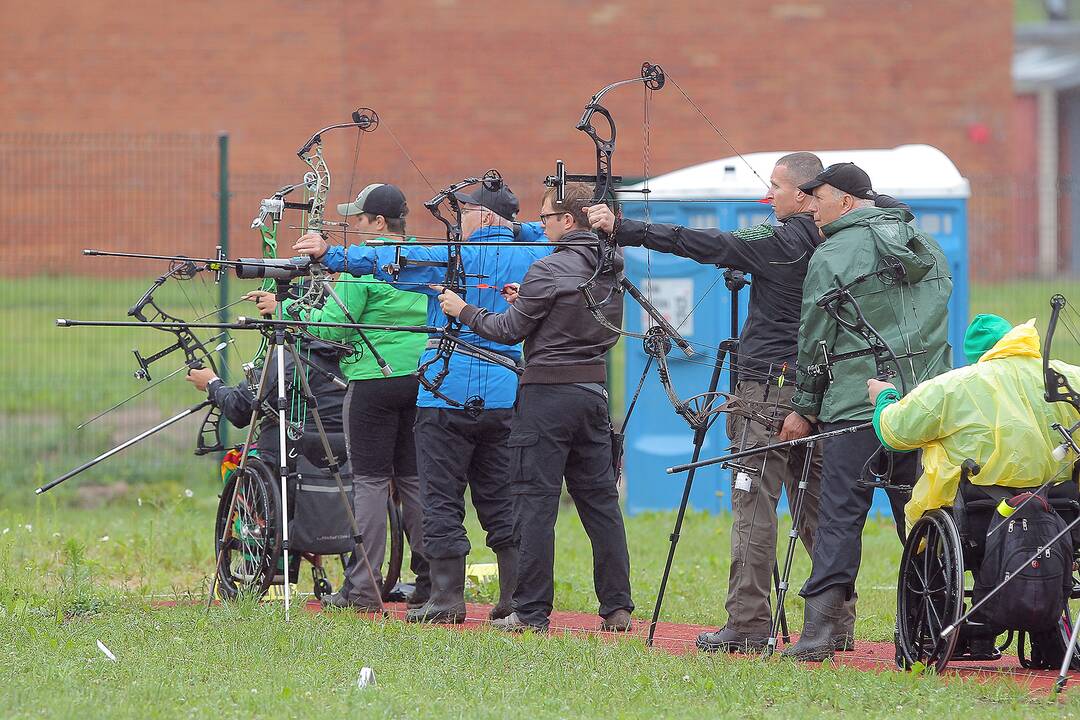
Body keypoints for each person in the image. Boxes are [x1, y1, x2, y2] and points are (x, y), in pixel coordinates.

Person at [586, 153, 845, 653]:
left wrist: (625, 228)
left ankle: (748, 624)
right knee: (817, 505)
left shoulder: (784, 240)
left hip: (767, 389)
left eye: (777, 187)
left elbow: (706, 242)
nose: (769, 196)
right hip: (818, 389)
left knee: (753, 502)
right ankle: (834, 622)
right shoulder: (838, 239)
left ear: (804, 193)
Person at [293, 177, 548, 624]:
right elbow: (551, 236)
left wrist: (330, 254)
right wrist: (515, 229)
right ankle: (511, 599)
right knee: (500, 497)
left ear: (485, 216)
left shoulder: (453, 257)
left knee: (440, 495)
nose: (459, 220)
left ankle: (447, 599)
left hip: (446, 394)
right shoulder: (536, 255)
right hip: (504, 395)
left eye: (466, 213)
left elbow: (390, 256)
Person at [437, 181, 634, 632]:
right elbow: (577, 321)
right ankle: (617, 607)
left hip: (545, 397)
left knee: (534, 504)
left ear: (568, 220)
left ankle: (530, 612)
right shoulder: (611, 267)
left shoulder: (548, 267)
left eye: (546, 217)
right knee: (600, 504)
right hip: (592, 395)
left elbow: (507, 331)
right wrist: (524, 301)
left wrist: (462, 309)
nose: (540, 224)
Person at [778, 162, 953, 662]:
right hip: (918, 406)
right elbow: (935, 319)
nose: (811, 206)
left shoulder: (833, 252)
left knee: (838, 518)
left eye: (820, 197)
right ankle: (932, 629)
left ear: (848, 202)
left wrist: (805, 407)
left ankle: (821, 634)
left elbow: (814, 339)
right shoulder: (927, 247)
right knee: (921, 516)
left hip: (854, 407)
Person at [249, 183, 430, 613]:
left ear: (378, 223)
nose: (354, 227)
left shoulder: (360, 267)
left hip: (373, 381)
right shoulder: (426, 257)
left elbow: (332, 331)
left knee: (367, 482)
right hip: (424, 379)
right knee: (413, 481)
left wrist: (286, 308)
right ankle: (434, 583)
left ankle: (363, 590)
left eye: (359, 219)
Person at [868, 315, 1080, 534]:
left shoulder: (953, 385)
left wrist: (885, 396)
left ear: (976, 356)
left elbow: (894, 432)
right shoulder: (1070, 377)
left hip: (979, 513)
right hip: (1063, 508)